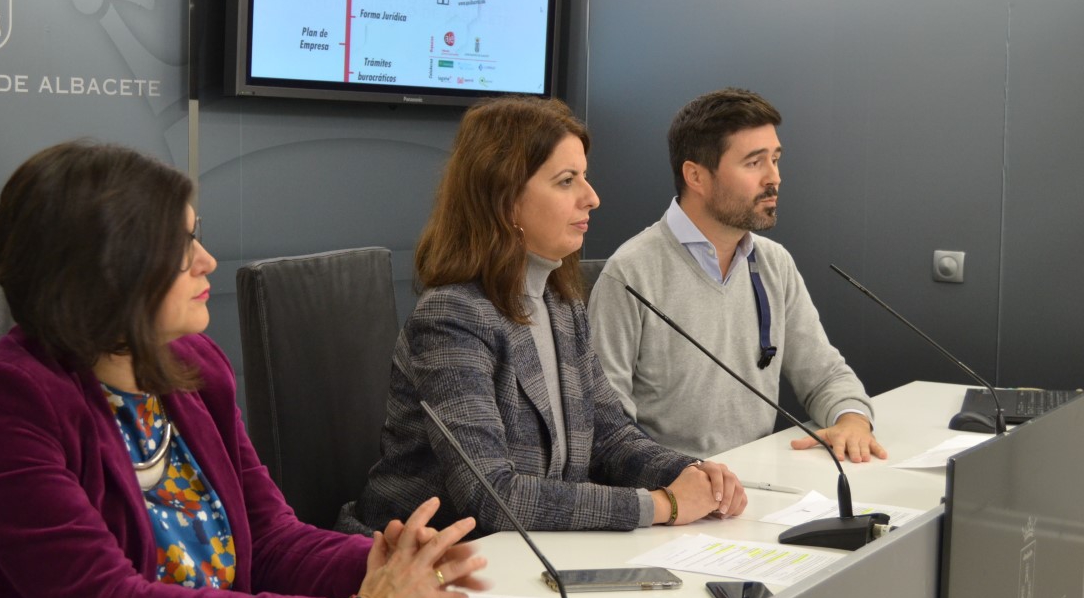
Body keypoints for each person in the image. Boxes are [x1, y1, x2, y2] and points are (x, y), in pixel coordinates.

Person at [0, 141, 487, 598]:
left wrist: (384, 565)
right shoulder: (5, 406)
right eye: (180, 246)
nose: (206, 260)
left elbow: (270, 540)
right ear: (106, 268)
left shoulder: (194, 368)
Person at [339, 97, 747, 538]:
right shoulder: (451, 317)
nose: (592, 198)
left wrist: (691, 473)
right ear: (505, 198)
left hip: (527, 552)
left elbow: (610, 437)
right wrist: (662, 504)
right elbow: (493, 496)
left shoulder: (561, 306)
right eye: (567, 181)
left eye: (584, 178)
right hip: (424, 557)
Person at [588, 88, 887, 461]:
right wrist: (680, 478)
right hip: (672, 485)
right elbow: (606, 425)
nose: (774, 178)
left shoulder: (774, 263)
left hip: (759, 479)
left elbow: (824, 375)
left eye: (775, 160)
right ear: (696, 176)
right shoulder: (630, 273)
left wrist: (852, 420)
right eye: (754, 163)